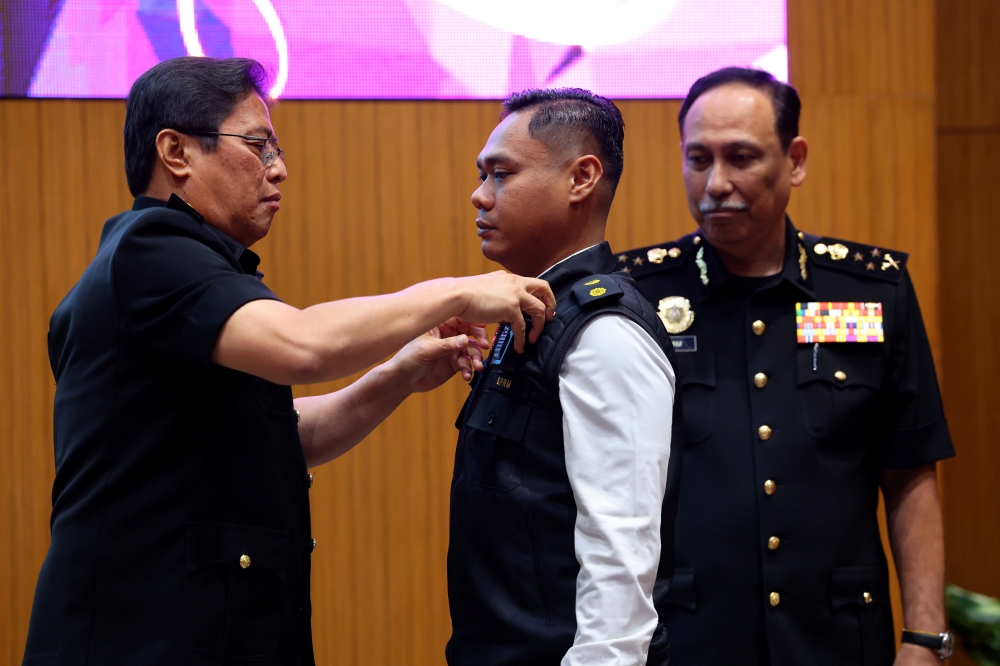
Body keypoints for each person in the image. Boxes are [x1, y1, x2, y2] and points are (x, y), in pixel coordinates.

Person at [22, 57, 556, 665]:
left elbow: (280, 435)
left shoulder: (192, 265)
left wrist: (398, 375)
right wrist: (458, 291)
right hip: (139, 636)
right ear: (175, 152)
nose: (279, 169)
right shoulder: (152, 250)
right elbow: (302, 345)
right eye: (257, 144)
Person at [619, 67, 955, 666]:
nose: (716, 183)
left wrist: (925, 638)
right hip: (690, 640)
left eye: (741, 157)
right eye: (699, 159)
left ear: (794, 160)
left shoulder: (868, 294)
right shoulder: (636, 297)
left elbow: (909, 470)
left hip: (837, 639)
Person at [446, 88, 683, 666]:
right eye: (483, 175)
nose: (479, 195)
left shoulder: (604, 331)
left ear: (582, 178)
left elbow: (620, 563)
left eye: (502, 174)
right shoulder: (535, 308)